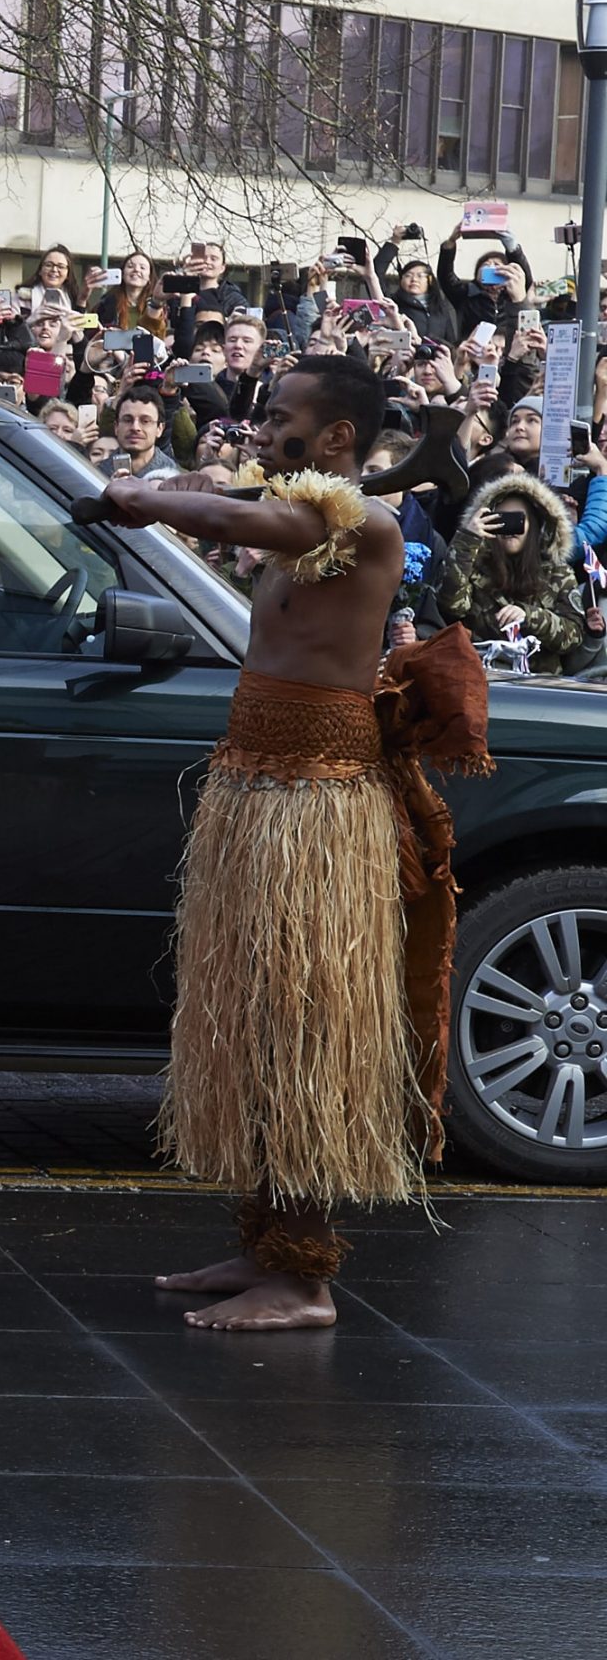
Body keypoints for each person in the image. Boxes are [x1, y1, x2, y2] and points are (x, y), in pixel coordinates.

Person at [95, 353, 491, 1331]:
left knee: (302, 1021)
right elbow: (232, 492)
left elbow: (239, 517)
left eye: (278, 417)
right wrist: (178, 479)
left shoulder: (362, 523)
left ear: (336, 440)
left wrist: (136, 493)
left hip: (315, 806)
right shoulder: (306, 500)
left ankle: (303, 1276)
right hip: (255, 791)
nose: (260, 429)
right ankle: (260, 1242)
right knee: (248, 1019)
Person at [441, 471, 596, 675]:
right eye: (501, 519)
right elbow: (452, 606)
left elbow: (572, 635)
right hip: (481, 675)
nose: (510, 528)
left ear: (534, 525)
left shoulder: (558, 572)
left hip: (538, 683)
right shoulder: (473, 567)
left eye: (518, 520)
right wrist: (468, 538)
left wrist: (528, 616)